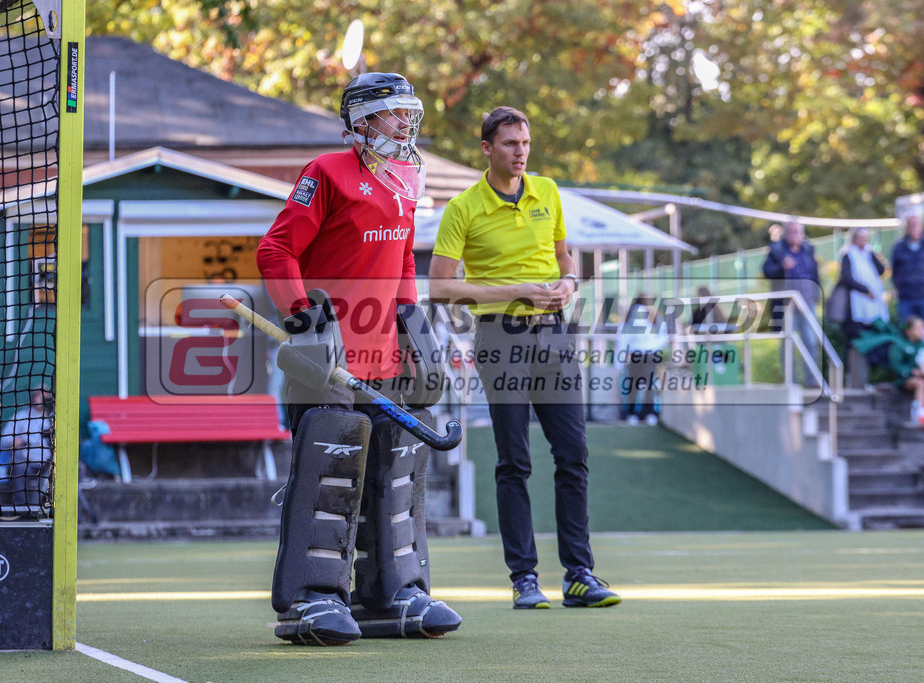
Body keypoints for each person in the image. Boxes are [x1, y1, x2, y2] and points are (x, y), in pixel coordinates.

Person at [256, 72, 460, 645]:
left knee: (394, 472)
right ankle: (313, 599)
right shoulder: (324, 172)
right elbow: (275, 250)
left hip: (386, 354)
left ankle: (391, 592)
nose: (406, 124)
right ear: (362, 120)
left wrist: (416, 328)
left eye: (409, 113)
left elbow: (400, 268)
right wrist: (303, 317)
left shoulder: (408, 176)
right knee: (332, 472)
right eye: (396, 114)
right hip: (329, 358)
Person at [428, 106, 621, 611]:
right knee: (514, 461)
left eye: (526, 144)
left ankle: (580, 575)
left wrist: (569, 283)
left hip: (556, 337)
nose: (521, 153)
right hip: (501, 338)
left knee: (573, 455)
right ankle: (524, 579)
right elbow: (440, 286)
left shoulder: (548, 192)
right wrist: (514, 291)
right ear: (488, 148)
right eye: (511, 144)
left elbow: (565, 257)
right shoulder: (463, 208)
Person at [761, 219, 821, 387]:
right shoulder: (776, 251)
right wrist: (782, 267)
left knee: (810, 340)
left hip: (807, 303)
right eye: (792, 232)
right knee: (787, 342)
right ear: (786, 234)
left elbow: (814, 274)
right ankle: (790, 381)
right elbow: (767, 272)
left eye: (798, 232)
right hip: (786, 304)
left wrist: (816, 294)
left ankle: (812, 380)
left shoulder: (808, 250)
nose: (795, 235)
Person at [853, 317, 924, 427]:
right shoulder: (899, 344)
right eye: (918, 328)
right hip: (905, 379)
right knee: (920, 384)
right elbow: (897, 366)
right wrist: (912, 372)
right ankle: (921, 414)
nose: (922, 331)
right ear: (909, 331)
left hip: (923, 376)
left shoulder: (923, 346)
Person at [0, 386, 53, 506]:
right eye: (40, 395)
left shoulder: (54, 418)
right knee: (17, 467)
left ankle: (36, 508)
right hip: (26, 462)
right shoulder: (21, 416)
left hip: (49, 462)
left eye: (46, 395)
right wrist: (15, 441)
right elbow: (4, 440)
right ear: (33, 397)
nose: (43, 398)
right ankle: (20, 508)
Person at [615, 298, 666, 426]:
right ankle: (633, 413)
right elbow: (623, 340)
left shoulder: (654, 319)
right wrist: (619, 361)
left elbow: (663, 337)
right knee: (634, 385)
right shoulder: (630, 321)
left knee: (648, 385)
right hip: (636, 356)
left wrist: (652, 347)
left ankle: (649, 413)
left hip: (648, 356)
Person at [890, 213, 924, 326]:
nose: (913, 228)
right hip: (905, 297)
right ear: (906, 227)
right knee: (905, 328)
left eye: (916, 225)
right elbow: (894, 271)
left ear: (922, 226)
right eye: (911, 225)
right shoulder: (899, 247)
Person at [838, 227, 888, 342]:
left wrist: (874, 255)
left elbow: (881, 270)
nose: (863, 241)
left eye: (865, 238)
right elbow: (848, 278)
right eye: (860, 238)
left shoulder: (868, 254)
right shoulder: (848, 255)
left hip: (873, 301)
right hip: (857, 302)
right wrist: (866, 290)